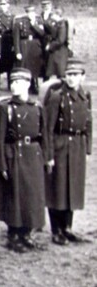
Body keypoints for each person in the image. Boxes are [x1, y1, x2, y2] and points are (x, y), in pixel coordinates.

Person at [0, 68, 47, 252]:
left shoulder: (37, 107)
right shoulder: (5, 108)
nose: (15, 86)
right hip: (14, 153)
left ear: (28, 84)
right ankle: (13, 235)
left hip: (33, 154)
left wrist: (45, 157)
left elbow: (44, 135)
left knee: (31, 196)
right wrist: (1, 164)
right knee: (14, 195)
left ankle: (26, 233)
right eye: (12, 82)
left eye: (19, 82)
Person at [44, 58, 91, 244]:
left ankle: (68, 227)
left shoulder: (85, 95)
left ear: (82, 77)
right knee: (58, 187)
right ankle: (56, 230)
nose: (71, 79)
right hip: (60, 144)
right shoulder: (57, 97)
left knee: (72, 187)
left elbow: (88, 122)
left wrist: (87, 147)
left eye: (75, 75)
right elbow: (48, 128)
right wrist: (49, 155)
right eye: (69, 75)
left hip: (77, 145)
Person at [12, 5, 45, 93]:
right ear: (26, 13)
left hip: (35, 44)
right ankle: (25, 85)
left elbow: (42, 33)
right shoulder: (20, 21)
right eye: (29, 12)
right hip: (24, 44)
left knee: (35, 65)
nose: (31, 14)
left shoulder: (38, 20)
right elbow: (16, 38)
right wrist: (17, 51)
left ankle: (34, 85)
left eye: (32, 12)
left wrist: (34, 24)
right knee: (25, 65)